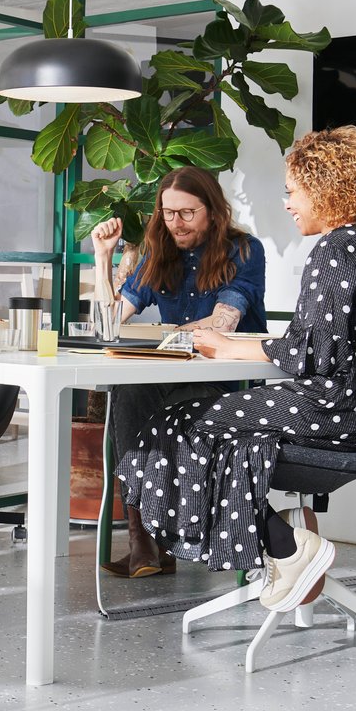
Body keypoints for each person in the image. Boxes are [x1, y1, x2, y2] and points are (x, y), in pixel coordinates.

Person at [120, 125, 356, 612]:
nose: (289, 204)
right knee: (198, 427)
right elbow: (315, 345)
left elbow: (313, 354)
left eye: (293, 192)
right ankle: (281, 546)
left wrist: (230, 350)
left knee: (173, 425)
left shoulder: (341, 248)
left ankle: (287, 547)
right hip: (347, 402)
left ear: (326, 189)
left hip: (336, 405)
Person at [90, 166, 267, 578]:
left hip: (225, 379)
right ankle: (144, 542)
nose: (176, 223)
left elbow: (223, 323)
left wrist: (166, 335)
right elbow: (107, 326)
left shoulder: (243, 250)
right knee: (127, 391)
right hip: (170, 374)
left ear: (213, 209)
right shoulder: (158, 250)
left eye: (187, 213)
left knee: (151, 403)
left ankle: (153, 543)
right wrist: (104, 260)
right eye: (168, 213)